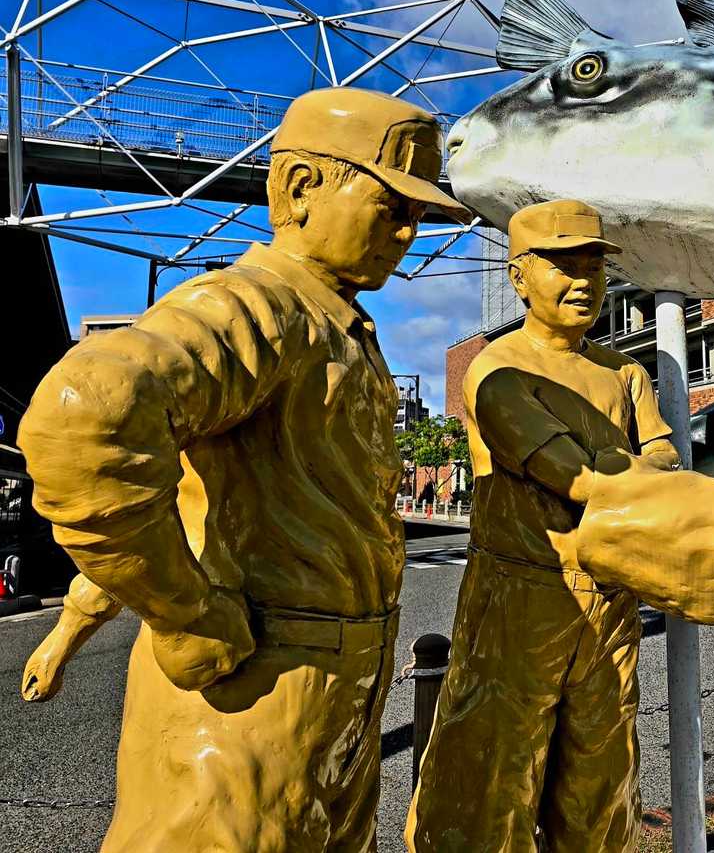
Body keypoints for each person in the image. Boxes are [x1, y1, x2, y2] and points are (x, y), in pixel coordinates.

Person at [18, 86, 470, 851]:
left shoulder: (337, 325)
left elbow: (184, 501)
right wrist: (187, 612)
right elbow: (87, 416)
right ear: (299, 187)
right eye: (390, 204)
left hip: (336, 699)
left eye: (418, 212)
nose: (407, 231)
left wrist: (82, 619)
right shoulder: (259, 308)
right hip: (248, 700)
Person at [407, 199, 681, 853]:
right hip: (520, 595)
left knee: (601, 778)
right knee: (490, 780)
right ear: (519, 276)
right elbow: (569, 471)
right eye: (564, 264)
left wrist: (643, 472)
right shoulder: (498, 368)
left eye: (594, 265)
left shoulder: (626, 372)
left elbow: (666, 453)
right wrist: (634, 476)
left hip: (609, 597)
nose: (584, 280)